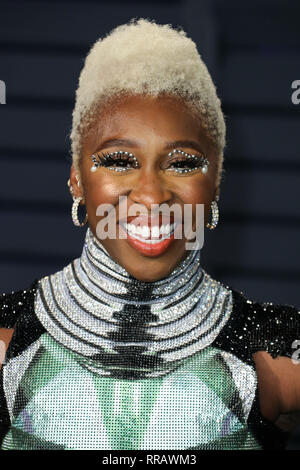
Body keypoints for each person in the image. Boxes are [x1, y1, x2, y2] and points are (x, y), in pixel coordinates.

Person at [0, 18, 299, 451]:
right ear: (77, 181)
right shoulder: (9, 340)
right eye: (120, 159)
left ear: (215, 184)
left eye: (181, 164)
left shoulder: (277, 351)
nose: (151, 196)